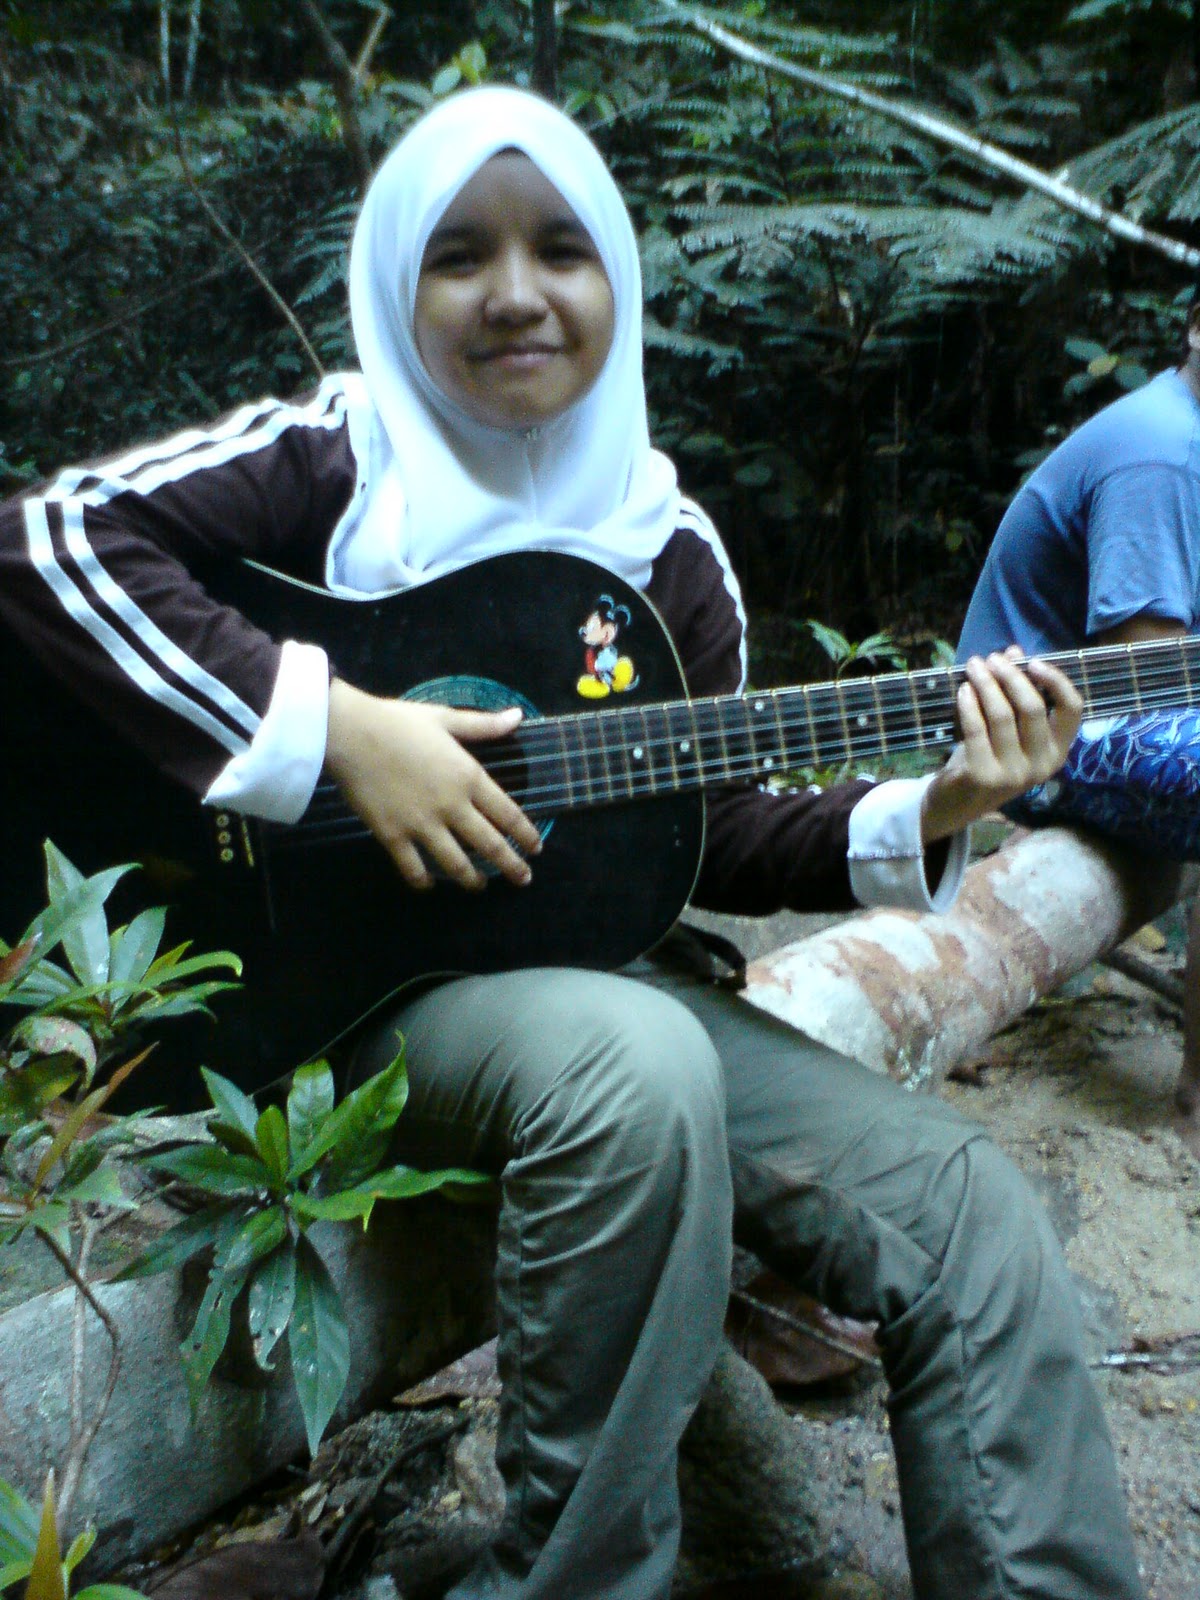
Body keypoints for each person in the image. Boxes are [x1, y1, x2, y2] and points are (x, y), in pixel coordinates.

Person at [0, 86, 1142, 1600]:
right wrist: (339, 731)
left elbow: (715, 831)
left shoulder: (666, 549)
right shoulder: (340, 459)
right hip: (323, 1002)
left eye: (562, 248)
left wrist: (940, 807)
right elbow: (50, 540)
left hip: (590, 994)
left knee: (966, 1209)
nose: (516, 292)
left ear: (619, 276)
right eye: (459, 253)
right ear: (395, 278)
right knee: (634, 1058)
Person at [959, 299, 1200, 1141]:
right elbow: (1153, 683)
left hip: (1092, 724)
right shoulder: (1163, 453)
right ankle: (1197, 1101)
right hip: (1025, 742)